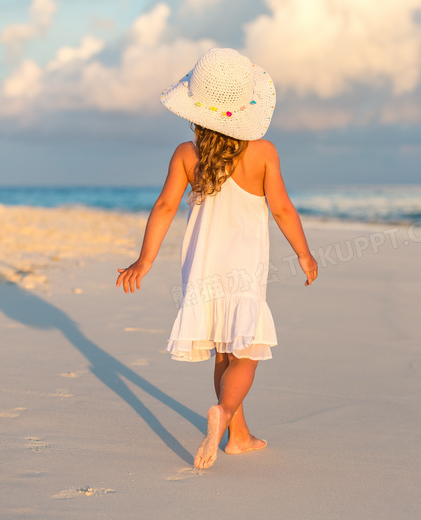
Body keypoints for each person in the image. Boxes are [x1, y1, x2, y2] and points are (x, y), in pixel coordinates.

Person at [115, 48, 318, 469]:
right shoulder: (263, 153)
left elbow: (165, 207)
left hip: (202, 271)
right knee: (244, 354)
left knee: (222, 354)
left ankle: (238, 438)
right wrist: (304, 253)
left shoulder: (187, 155)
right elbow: (282, 209)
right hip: (243, 272)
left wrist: (144, 260)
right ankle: (225, 415)